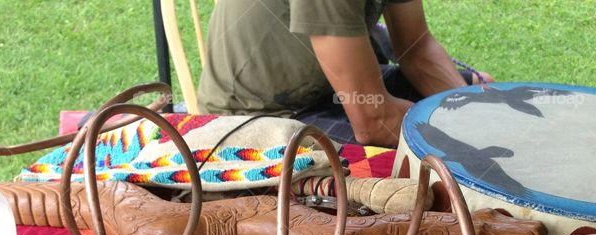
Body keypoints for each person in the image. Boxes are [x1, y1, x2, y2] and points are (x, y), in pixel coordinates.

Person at [197, 0, 493, 147]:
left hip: (328, 89)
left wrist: (474, 110)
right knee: (435, 161)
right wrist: (468, 134)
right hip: (255, 117)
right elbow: (374, 121)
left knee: (482, 95)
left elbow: (418, 51)